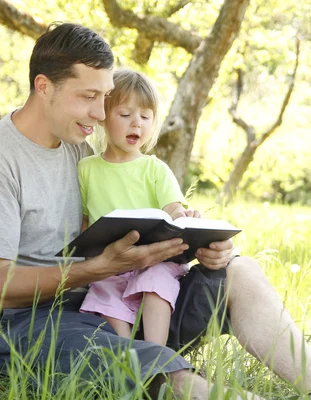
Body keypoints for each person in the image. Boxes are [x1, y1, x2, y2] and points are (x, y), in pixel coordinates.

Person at [0, 22, 311, 400]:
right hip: (24, 326)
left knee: (239, 271)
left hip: (106, 298)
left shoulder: (76, 146)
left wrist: (196, 246)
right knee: (171, 376)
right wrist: (98, 268)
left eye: (103, 98)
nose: (98, 114)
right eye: (88, 98)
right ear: (43, 86)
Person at [78, 68, 197, 346]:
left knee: (156, 282)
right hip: (111, 265)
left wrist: (186, 217)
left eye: (145, 117)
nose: (136, 124)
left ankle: (157, 355)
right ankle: (129, 363)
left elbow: (174, 211)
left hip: (154, 260)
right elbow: (84, 222)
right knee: (106, 295)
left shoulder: (155, 169)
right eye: (125, 115)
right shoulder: (86, 169)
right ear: (104, 116)